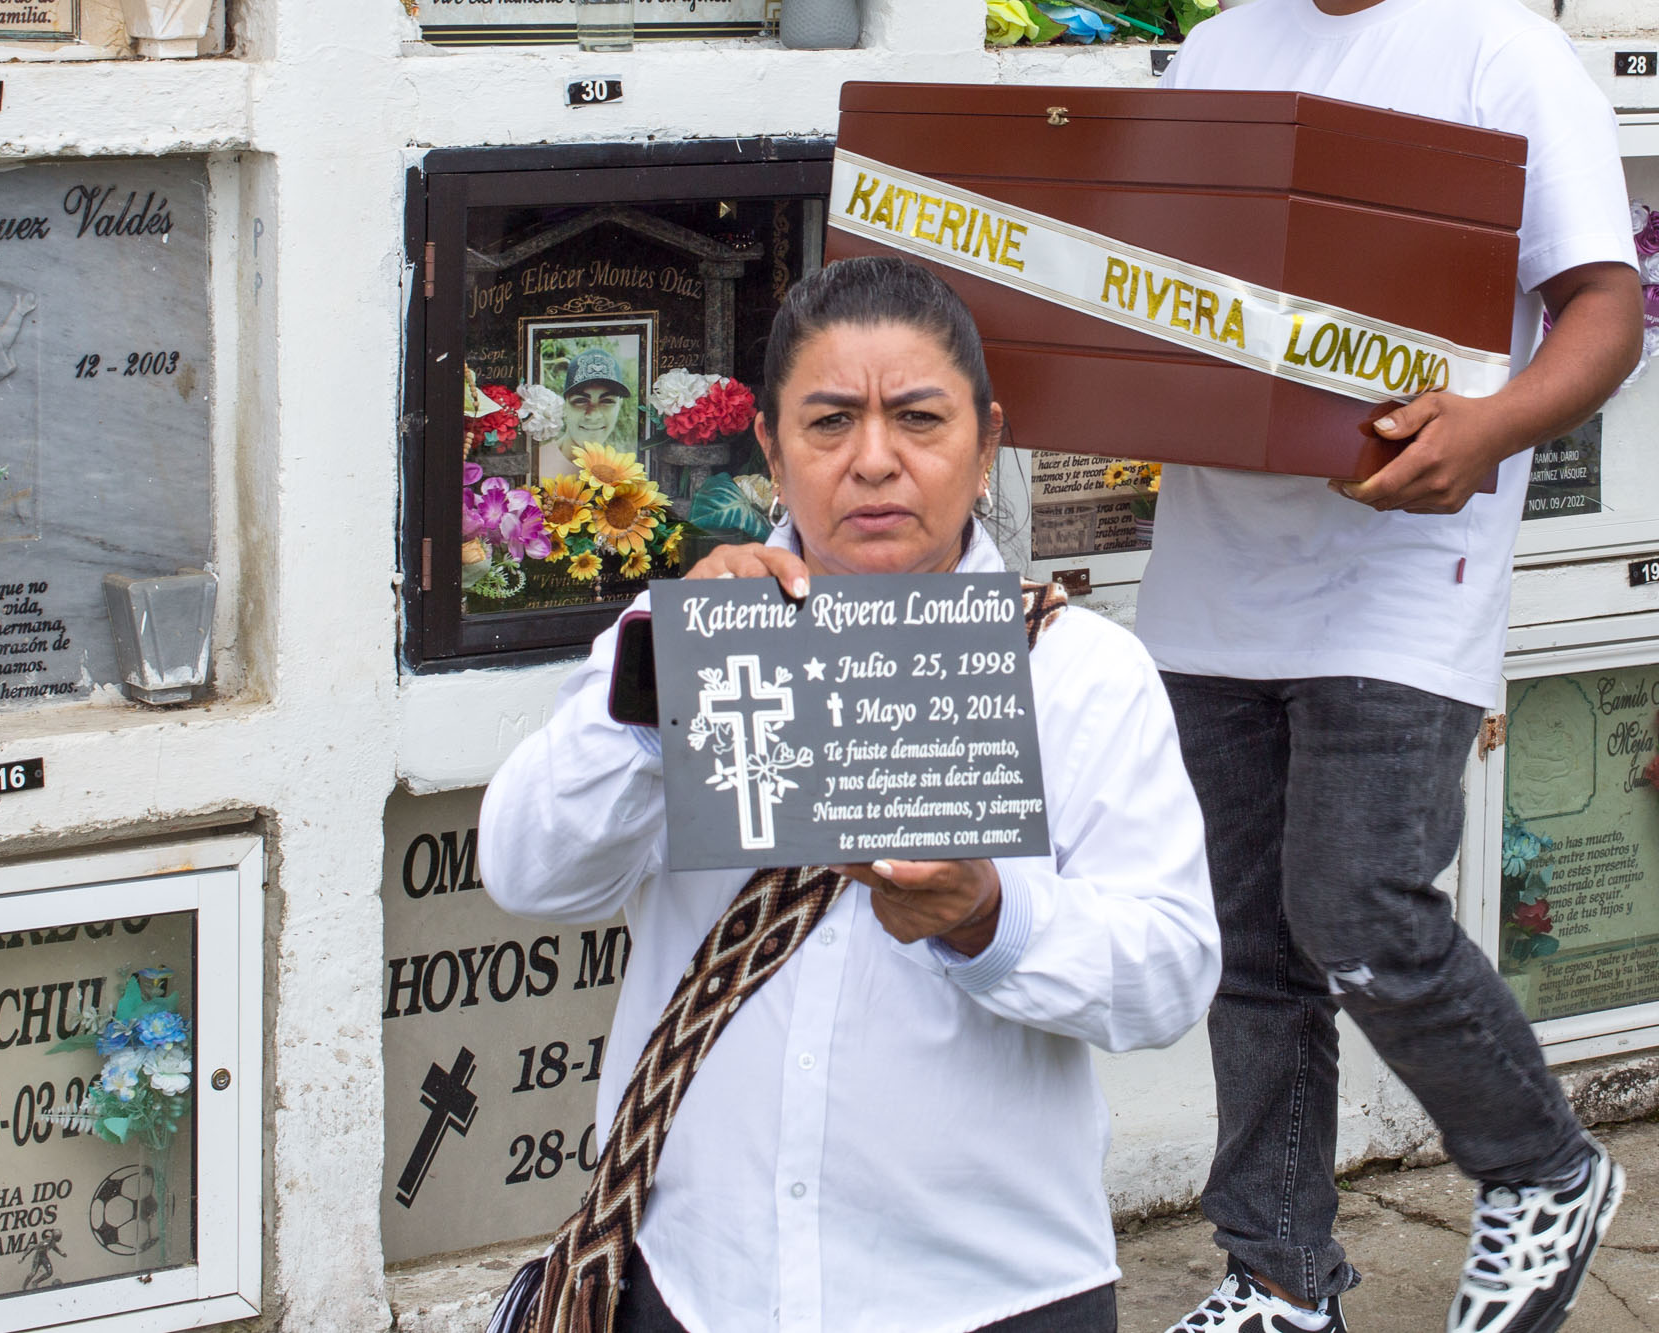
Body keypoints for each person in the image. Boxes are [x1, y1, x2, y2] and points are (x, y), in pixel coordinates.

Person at [482, 256, 1221, 1333]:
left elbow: (1169, 973)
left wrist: (989, 918)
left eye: (918, 419)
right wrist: (656, 691)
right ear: (772, 455)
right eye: (829, 424)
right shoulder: (679, 637)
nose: (874, 460)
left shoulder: (1081, 676)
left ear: (986, 443)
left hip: (984, 1295)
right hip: (690, 1282)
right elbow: (526, 872)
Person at [1140, 3, 1645, 1332]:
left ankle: (1544, 1163)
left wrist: (1491, 426)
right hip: (1215, 565)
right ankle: (1279, 1273)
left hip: (1407, 564)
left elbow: (1604, 309)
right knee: (1246, 946)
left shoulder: (1502, 52)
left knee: (1358, 909)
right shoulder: (1218, 48)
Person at [536, 346, 632, 480]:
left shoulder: (624, 472)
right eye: (580, 401)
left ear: (619, 406)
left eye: (607, 401)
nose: (593, 415)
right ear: (564, 406)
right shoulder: (538, 463)